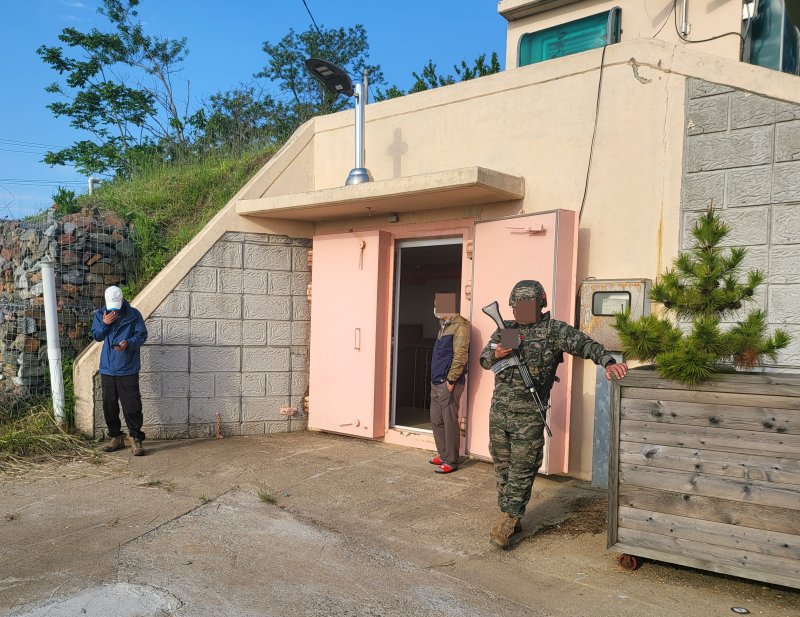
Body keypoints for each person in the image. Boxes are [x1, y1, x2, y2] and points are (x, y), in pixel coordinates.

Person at [480, 280, 627, 548]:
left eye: (527, 305)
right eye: (517, 305)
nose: (520, 310)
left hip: (528, 416)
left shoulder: (552, 331)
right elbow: (484, 360)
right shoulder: (508, 330)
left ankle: (508, 520)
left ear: (540, 304)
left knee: (522, 469)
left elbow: (585, 345)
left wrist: (607, 361)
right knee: (502, 467)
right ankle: (511, 512)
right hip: (499, 414)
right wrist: (497, 352)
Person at [92, 286, 149, 456]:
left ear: (123, 300)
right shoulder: (101, 314)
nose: (114, 309)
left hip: (128, 367)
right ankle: (116, 436)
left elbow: (142, 335)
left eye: (117, 305)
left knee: (132, 405)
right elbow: (97, 336)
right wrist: (105, 324)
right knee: (109, 405)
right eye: (111, 306)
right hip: (108, 368)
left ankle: (135, 438)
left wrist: (128, 343)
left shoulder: (134, 314)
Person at [429, 292, 471, 474]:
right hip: (436, 380)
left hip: (448, 382)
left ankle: (452, 461)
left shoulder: (460, 326)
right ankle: (444, 454)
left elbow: (460, 355)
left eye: (438, 305)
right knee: (437, 419)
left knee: (449, 421)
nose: (435, 308)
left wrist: (451, 380)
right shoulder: (444, 325)